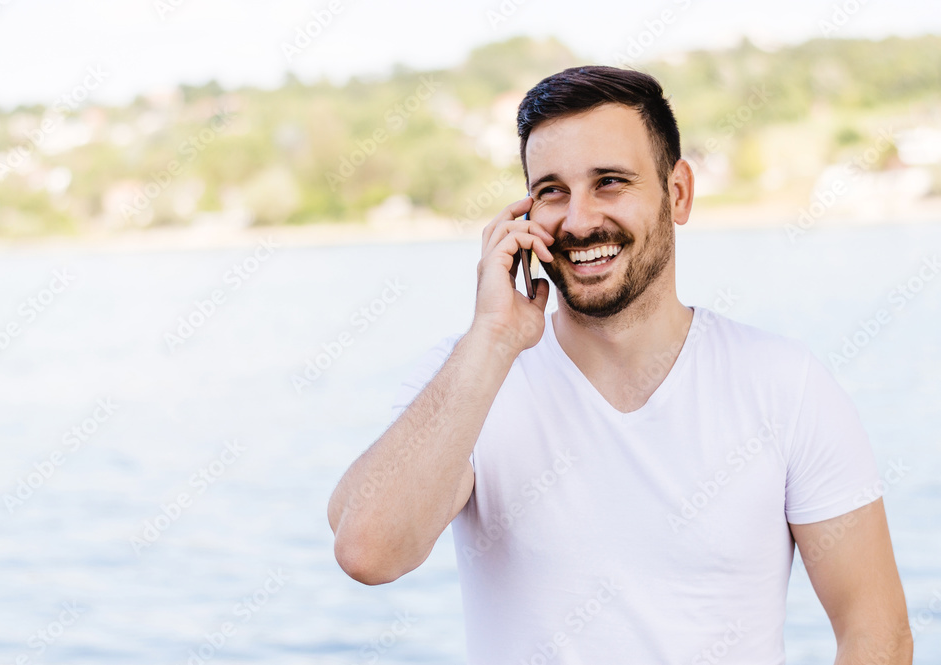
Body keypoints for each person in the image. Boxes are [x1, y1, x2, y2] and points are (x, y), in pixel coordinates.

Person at [327, 66, 912, 663]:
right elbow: (369, 552)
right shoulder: (470, 379)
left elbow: (875, 630)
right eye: (552, 190)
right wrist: (493, 339)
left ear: (678, 192)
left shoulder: (785, 384)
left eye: (609, 182)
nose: (579, 221)